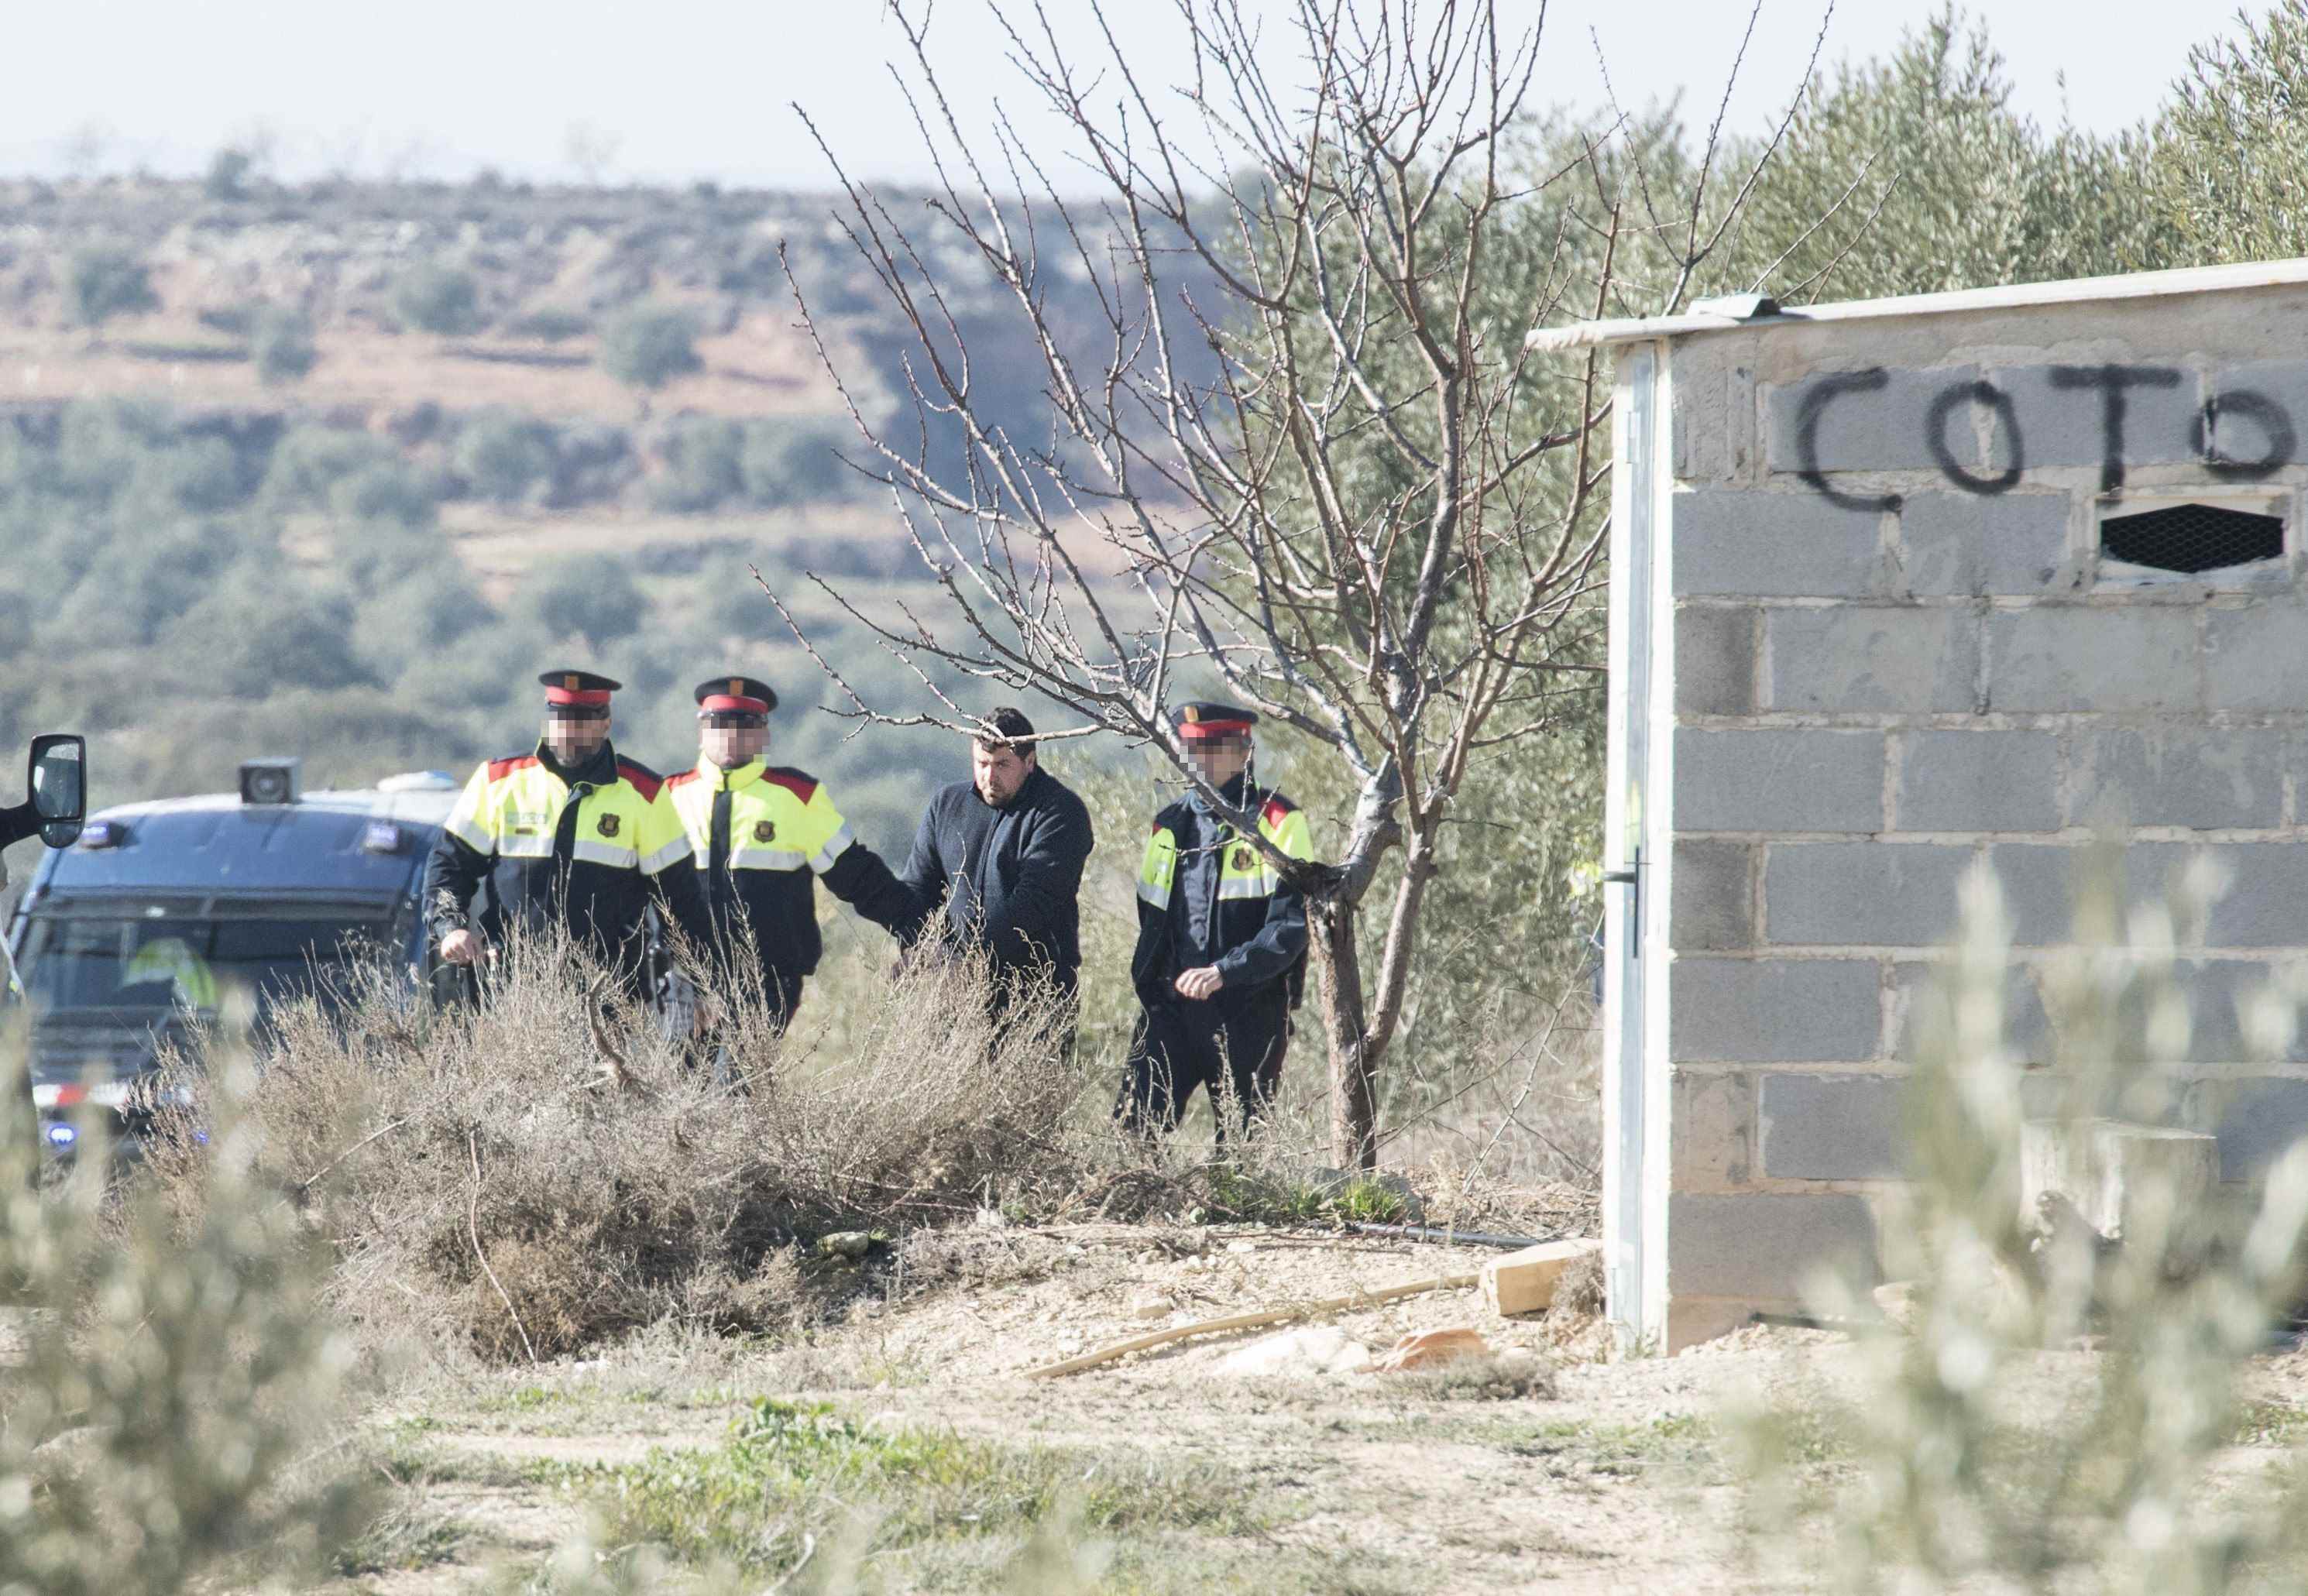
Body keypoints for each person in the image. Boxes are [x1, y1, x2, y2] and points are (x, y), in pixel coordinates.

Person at [423, 669, 712, 996]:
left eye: (582, 720)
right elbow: (449, 865)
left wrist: (703, 986)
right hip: (507, 985)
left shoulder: (643, 793)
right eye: (560, 718)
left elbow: (681, 900)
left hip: (608, 990)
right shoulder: (499, 781)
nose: (569, 730)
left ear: (606, 723)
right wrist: (450, 927)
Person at [663, 675, 918, 1026]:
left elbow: (859, 877)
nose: (732, 735)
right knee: (677, 1079)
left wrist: (923, 933)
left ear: (764, 733)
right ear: (702, 730)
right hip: (681, 981)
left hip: (766, 982)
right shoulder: (667, 798)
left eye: (746, 724)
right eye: (720, 723)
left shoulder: (798, 797)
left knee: (735, 1079)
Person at [1118, 702, 1314, 1141]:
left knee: (1243, 1147)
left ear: (1244, 751)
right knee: (1133, 1131)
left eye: (1210, 748)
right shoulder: (1168, 824)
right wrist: (1152, 985)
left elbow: (1290, 927)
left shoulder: (1279, 821)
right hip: (1171, 1008)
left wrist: (1224, 972)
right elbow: (1151, 917)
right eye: (1190, 749)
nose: (1197, 760)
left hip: (1249, 1009)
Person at [898, 706, 1093, 1015]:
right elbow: (917, 889)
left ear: (1029, 762)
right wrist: (920, 949)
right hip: (948, 1000)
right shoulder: (946, 806)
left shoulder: (1060, 812)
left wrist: (968, 966)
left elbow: (1035, 902)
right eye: (982, 763)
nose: (990, 776)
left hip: (1033, 998)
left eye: (1003, 764)